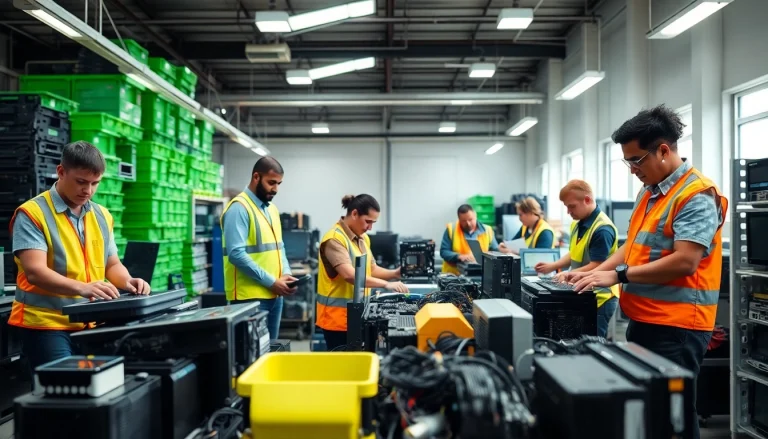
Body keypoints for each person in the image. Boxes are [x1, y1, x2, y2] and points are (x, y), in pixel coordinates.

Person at [562, 105, 727, 439]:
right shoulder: (651, 192)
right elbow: (632, 246)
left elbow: (685, 262)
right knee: (653, 412)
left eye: (636, 161)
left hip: (678, 326)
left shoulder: (696, 195)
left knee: (674, 417)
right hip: (646, 319)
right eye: (628, 162)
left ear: (663, 150)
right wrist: (593, 273)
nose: (632, 170)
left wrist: (619, 276)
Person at [9, 141, 151, 369]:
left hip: (90, 322)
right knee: (64, 389)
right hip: (47, 324)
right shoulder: (32, 214)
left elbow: (112, 263)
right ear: (61, 171)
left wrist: (128, 281)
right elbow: (35, 272)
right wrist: (83, 288)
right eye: (81, 182)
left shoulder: (102, 215)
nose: (88, 190)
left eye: (95, 183)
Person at [316, 194, 408, 350]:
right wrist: (387, 284)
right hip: (337, 320)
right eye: (368, 221)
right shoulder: (334, 239)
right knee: (342, 370)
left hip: (359, 315)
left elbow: (371, 269)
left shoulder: (363, 238)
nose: (370, 228)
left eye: (373, 223)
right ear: (354, 214)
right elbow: (350, 275)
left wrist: (395, 274)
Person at [221, 156, 296, 340]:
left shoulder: (271, 209)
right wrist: (272, 282)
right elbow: (236, 254)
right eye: (271, 183)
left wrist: (285, 273)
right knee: (251, 357)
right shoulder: (239, 209)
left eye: (279, 184)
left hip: (274, 296)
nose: (275, 189)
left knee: (270, 353)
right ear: (256, 177)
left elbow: (280, 247)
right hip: (250, 299)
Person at [535, 180, 619, 337]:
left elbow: (597, 265)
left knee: (593, 343)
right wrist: (553, 266)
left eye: (571, 206)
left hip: (599, 296)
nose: (568, 212)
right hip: (581, 290)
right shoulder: (578, 224)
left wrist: (568, 274)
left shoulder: (602, 229)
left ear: (587, 200)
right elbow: (574, 254)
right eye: (566, 207)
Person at [440, 204, 510, 274]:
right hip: (453, 277)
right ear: (459, 219)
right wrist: (459, 256)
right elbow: (444, 251)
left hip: (479, 275)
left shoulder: (488, 231)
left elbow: (495, 251)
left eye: (470, 219)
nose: (468, 223)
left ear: (475, 216)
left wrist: (501, 250)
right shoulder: (451, 229)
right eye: (464, 221)